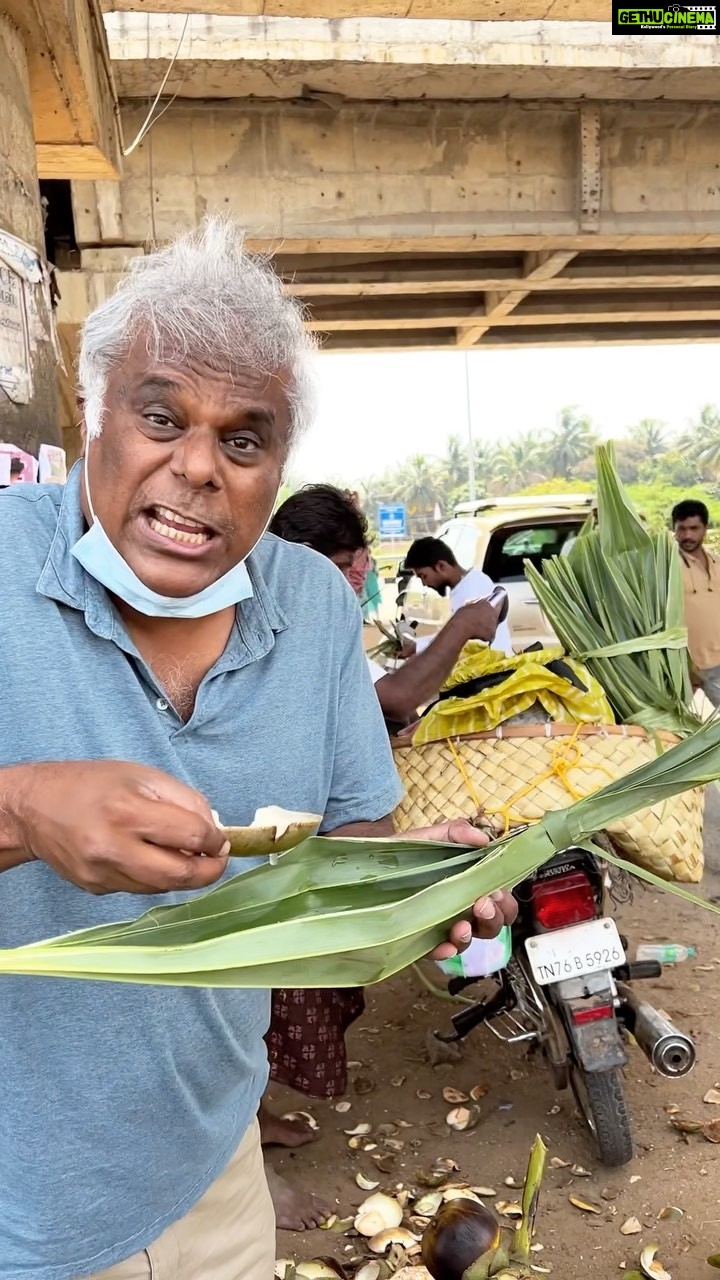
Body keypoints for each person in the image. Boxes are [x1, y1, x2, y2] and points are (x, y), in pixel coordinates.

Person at [0, 218, 517, 1280]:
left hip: (213, 1166)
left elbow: (349, 836)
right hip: (24, 1205)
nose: (197, 468)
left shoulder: (315, 611)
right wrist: (20, 811)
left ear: (279, 460)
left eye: (244, 438)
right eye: (159, 416)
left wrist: (413, 885)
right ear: (95, 414)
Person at [263, 484, 507, 1230]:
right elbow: (394, 700)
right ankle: (252, 1168)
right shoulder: (271, 631)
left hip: (317, 854)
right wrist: (463, 628)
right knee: (246, 1002)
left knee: (266, 1012)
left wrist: (417, 870)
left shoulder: (333, 630)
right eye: (326, 565)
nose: (345, 578)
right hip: (271, 868)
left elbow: (360, 784)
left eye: (347, 564)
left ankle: (252, 1128)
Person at [270, 486, 503, 727]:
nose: (348, 580)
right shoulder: (295, 627)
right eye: (341, 567)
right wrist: (462, 625)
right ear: (306, 555)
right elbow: (398, 697)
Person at [402, 536, 514, 658]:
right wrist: (416, 646)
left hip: (490, 668)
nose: (424, 584)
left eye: (423, 576)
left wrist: (417, 647)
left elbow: (463, 639)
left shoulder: (472, 589)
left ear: (441, 566)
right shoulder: (469, 582)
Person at [672, 498, 720, 706]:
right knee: (674, 731)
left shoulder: (717, 562)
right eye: (682, 529)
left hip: (717, 661)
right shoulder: (666, 564)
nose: (688, 535)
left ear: (705, 528)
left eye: (694, 528)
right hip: (680, 664)